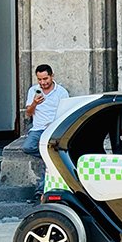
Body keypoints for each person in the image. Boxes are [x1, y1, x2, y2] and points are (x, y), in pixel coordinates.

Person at [23, 64, 70, 197]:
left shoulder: (61, 92)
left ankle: (42, 188)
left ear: (51, 76)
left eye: (45, 79)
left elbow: (65, 113)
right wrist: (34, 104)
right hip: (38, 129)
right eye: (40, 79)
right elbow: (28, 113)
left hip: (54, 129)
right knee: (28, 147)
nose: (43, 83)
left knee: (47, 155)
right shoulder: (33, 90)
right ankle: (50, 155)